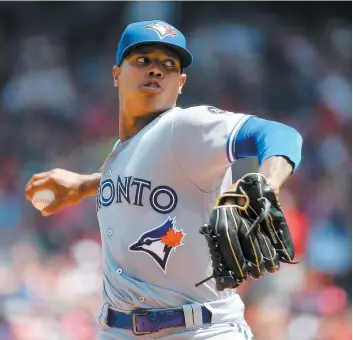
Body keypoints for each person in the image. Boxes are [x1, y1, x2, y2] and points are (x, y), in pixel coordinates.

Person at [25, 20, 303, 339]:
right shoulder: (123, 150)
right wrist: (85, 184)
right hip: (117, 330)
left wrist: (266, 185)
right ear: (117, 74)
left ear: (181, 82)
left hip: (199, 329)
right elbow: (140, 177)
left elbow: (279, 134)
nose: (156, 70)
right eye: (143, 60)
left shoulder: (185, 127)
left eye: (168, 65)